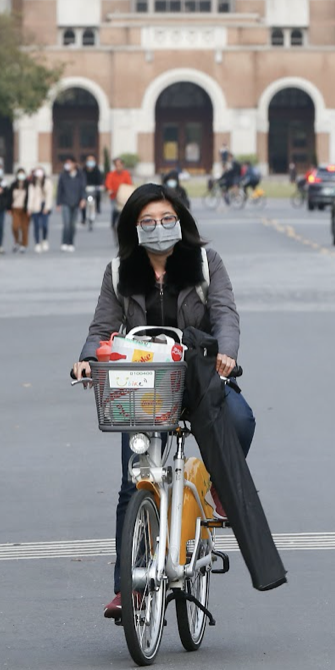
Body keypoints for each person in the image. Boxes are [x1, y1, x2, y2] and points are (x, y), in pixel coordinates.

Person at [69, 183, 254, 620]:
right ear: (134, 228)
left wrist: (226, 353)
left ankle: (216, 485)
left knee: (242, 420)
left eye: (166, 220)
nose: (158, 229)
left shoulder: (206, 263)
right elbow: (101, 330)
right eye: (148, 222)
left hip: (198, 377)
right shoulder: (119, 272)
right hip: (140, 387)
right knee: (132, 484)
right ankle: (126, 589)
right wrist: (85, 361)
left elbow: (226, 313)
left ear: (180, 221)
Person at [56, 156, 87, 251]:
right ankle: (64, 242)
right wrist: (58, 203)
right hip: (65, 202)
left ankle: (71, 242)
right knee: (66, 224)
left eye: (70, 163)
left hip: (76, 202)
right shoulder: (63, 175)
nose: (68, 165)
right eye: (66, 163)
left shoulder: (80, 175)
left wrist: (83, 199)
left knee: (73, 225)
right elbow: (59, 190)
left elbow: (83, 188)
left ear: (74, 164)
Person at [26, 165, 54, 252]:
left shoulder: (47, 182)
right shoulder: (32, 183)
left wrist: (47, 207)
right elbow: (31, 197)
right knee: (36, 226)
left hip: (44, 205)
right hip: (35, 206)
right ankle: (37, 243)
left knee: (44, 225)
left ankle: (44, 240)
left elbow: (49, 196)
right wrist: (29, 208)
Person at [104, 157, 134, 228]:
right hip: (114, 196)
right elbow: (108, 183)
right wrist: (110, 190)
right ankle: (113, 222)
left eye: (119, 165)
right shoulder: (111, 174)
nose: (118, 167)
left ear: (122, 165)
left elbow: (129, 184)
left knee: (123, 210)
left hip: (123, 197)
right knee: (115, 209)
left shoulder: (126, 174)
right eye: (116, 165)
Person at [9, 167, 32, 253]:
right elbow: (9, 197)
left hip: (25, 209)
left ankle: (24, 244)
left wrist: (30, 208)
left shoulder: (28, 185)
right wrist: (8, 207)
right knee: (15, 226)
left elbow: (31, 197)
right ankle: (16, 241)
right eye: (20, 174)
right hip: (15, 208)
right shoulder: (13, 185)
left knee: (24, 228)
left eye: (23, 174)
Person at [83, 155, 107, 229]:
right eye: (89, 160)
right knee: (82, 200)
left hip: (94, 189)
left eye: (92, 160)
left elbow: (100, 180)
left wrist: (101, 186)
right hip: (85, 189)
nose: (90, 162)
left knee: (98, 195)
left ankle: (98, 207)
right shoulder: (83, 170)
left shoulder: (97, 170)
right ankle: (83, 216)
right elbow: (81, 180)